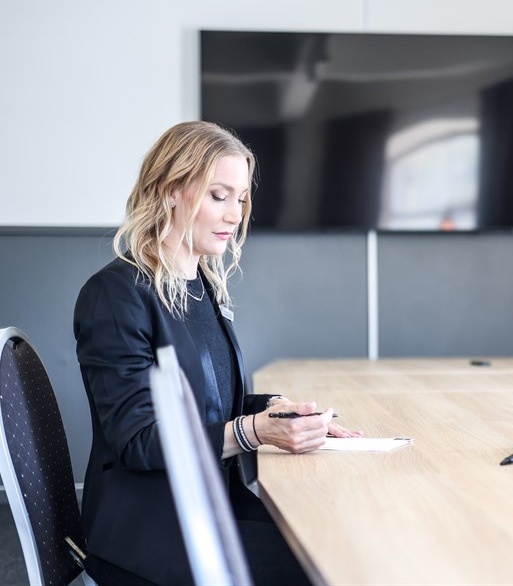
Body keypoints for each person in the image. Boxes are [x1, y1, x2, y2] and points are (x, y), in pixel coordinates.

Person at [73, 121, 361, 586]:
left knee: (341, 536)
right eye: (218, 195)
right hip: (154, 532)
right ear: (170, 191)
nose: (234, 215)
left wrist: (276, 412)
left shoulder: (201, 285)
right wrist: (252, 432)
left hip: (213, 507)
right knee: (329, 567)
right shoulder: (116, 294)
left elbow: (210, 404)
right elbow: (139, 441)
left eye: (241, 198)